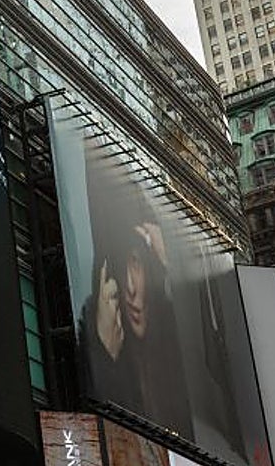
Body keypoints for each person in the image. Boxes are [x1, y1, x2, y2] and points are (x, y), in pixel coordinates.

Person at [80, 183, 193, 437]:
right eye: (122, 265)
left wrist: (167, 263)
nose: (130, 287)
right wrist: (105, 355)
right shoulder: (94, 330)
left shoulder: (175, 335)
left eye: (136, 263)